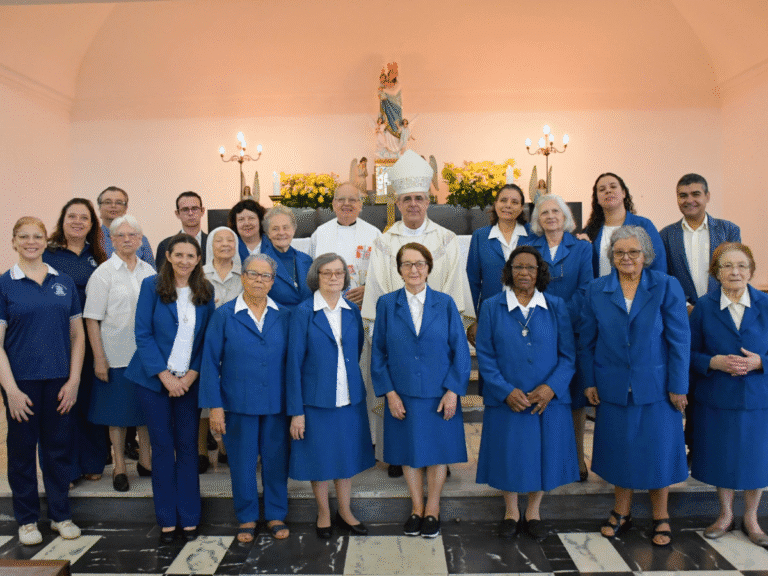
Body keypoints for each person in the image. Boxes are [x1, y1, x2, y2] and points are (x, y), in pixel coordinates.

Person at [362, 150, 471, 475]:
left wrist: (445, 332)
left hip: (436, 338)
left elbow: (453, 291)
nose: (413, 204)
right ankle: (398, 454)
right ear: (397, 202)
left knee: (435, 397)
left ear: (428, 201)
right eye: (407, 198)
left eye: (419, 198)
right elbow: (378, 290)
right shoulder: (384, 242)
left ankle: (438, 456)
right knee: (399, 395)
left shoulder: (447, 240)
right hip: (398, 336)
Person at [580, 226, 689, 547]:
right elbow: (586, 341)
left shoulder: (666, 285)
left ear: (646, 255)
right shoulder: (597, 289)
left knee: (658, 451)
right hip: (612, 384)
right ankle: (621, 512)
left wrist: (678, 385)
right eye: (619, 252)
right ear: (611, 256)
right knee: (619, 450)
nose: (626, 258)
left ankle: (661, 516)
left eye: (633, 252)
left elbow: (680, 341)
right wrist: (589, 381)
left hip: (658, 386)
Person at [475, 245, 578, 540]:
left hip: (545, 400)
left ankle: (533, 511)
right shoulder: (492, 306)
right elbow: (485, 355)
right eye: (518, 267)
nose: (524, 272)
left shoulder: (556, 306)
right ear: (509, 272)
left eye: (530, 267)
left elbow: (568, 355)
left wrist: (551, 388)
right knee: (509, 454)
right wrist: (505, 391)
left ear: (539, 272)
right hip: (508, 398)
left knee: (542, 454)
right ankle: (511, 511)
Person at [371, 243, 471, 539]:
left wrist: (453, 391)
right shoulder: (387, 304)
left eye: (419, 264)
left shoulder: (446, 303)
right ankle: (416, 507)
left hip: (439, 392)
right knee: (408, 452)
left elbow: (460, 351)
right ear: (399, 269)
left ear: (428, 268)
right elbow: (378, 353)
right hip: (402, 393)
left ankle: (433, 509)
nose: (413, 270)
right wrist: (389, 393)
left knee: (438, 453)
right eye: (407, 264)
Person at [0, 217, 85, 545]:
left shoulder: (63, 281)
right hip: (21, 383)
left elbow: (78, 337)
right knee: (22, 453)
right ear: (14, 241)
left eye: (37, 236)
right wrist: (11, 390)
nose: (31, 242)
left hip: (60, 381)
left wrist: (74, 380)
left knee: (58, 451)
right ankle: (27, 520)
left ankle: (61, 516)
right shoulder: (5, 284)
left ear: (45, 241)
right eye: (24, 237)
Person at [125, 233, 215, 543]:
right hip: (153, 381)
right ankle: (166, 519)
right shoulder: (151, 287)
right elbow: (142, 333)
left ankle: (189, 517)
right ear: (168, 256)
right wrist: (165, 377)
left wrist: (190, 377)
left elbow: (208, 340)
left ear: (198, 259)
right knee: (162, 448)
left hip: (189, 383)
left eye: (190, 256)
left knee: (188, 447)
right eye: (179, 255)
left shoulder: (205, 290)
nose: (184, 261)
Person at [200, 254, 291, 543]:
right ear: (243, 277)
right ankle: (247, 517)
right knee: (242, 463)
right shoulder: (224, 315)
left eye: (266, 276)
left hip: (277, 404)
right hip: (238, 404)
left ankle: (276, 513)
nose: (259, 280)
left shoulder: (284, 315)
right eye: (253, 274)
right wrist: (215, 407)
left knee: (276, 462)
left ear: (273, 282)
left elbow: (294, 363)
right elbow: (209, 362)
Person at [287, 253, 375, 539]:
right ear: (317, 277)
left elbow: (356, 349)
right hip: (315, 399)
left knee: (345, 456)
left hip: (348, 396)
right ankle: (324, 512)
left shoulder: (352, 310)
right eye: (327, 273)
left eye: (339, 272)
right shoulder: (304, 312)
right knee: (320, 458)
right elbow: (293, 362)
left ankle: (345, 511)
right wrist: (296, 411)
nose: (334, 277)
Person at [689, 243, 768, 546]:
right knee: (722, 456)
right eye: (727, 266)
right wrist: (713, 362)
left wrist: (760, 362)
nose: (735, 272)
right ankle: (724, 515)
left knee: (756, 459)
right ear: (716, 272)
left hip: (757, 398)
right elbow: (688, 353)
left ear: (751, 271)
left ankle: (751, 517)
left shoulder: (765, 304)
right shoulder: (704, 307)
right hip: (717, 397)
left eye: (742, 266)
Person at [659, 173, 741, 461]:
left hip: (722, 317)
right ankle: (692, 447)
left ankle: (717, 446)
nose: (689, 200)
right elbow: (664, 277)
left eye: (695, 194)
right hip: (683, 317)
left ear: (707, 196)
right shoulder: (666, 235)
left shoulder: (728, 229)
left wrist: (716, 306)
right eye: (683, 195)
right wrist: (683, 306)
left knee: (718, 381)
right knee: (689, 382)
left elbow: (735, 270)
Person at [83, 215, 155, 492]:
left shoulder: (149, 271)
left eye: (132, 234)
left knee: (145, 411)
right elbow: (92, 319)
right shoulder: (103, 274)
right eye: (120, 235)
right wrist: (99, 358)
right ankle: (120, 467)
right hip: (115, 355)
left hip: (146, 356)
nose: (127, 239)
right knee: (117, 415)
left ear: (140, 239)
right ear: (111, 240)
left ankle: (146, 461)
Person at [527, 195, 593, 482]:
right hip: (537, 331)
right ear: (537, 220)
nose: (551, 216)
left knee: (575, 397)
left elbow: (586, 288)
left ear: (565, 217)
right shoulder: (530, 249)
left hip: (573, 329)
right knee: (541, 391)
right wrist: (544, 318)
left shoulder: (582, 248)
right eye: (544, 213)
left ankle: (578, 458)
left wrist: (558, 316)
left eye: (556, 211)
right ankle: (544, 458)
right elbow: (525, 287)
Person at [43, 198, 109, 483]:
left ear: (92, 224)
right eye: (72, 216)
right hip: (58, 340)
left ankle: (92, 462)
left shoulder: (99, 257)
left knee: (89, 401)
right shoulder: (48, 255)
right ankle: (66, 468)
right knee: (62, 403)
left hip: (93, 339)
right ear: (62, 220)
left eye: (84, 217)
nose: (78, 222)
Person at [310, 183, 382, 442]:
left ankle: (369, 437)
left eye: (353, 200)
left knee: (363, 374)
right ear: (333, 204)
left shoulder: (374, 234)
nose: (347, 204)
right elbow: (312, 275)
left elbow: (382, 274)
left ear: (361, 204)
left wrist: (369, 289)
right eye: (341, 199)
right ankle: (337, 436)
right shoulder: (320, 234)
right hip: (327, 317)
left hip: (362, 315)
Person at [198, 226, 243, 471]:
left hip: (236, 344)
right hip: (206, 342)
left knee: (230, 395)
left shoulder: (244, 274)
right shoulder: (199, 274)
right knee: (205, 398)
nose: (225, 244)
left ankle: (226, 447)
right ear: (210, 246)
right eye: (219, 240)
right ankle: (201, 451)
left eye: (230, 240)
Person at [582, 173, 666, 278]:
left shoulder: (643, 225)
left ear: (623, 193)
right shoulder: (589, 232)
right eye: (602, 189)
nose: (608, 191)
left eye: (613, 187)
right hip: (599, 288)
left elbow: (659, 264)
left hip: (640, 288)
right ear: (597, 199)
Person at [467, 183, 531, 317]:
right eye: (503, 200)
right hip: (491, 314)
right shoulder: (480, 236)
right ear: (495, 204)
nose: (508, 205)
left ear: (521, 208)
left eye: (514, 202)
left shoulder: (533, 234)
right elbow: (472, 281)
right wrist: (471, 319)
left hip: (527, 312)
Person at [262, 205, 312, 308]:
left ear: (293, 230)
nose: (281, 233)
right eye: (275, 229)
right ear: (268, 233)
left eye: (285, 228)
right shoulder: (260, 264)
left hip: (307, 317)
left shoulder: (307, 260)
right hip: (277, 317)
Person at [97, 186, 155, 268]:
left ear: (126, 208)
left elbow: (151, 273)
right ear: (99, 207)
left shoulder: (140, 239)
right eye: (108, 202)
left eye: (119, 203)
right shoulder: (91, 239)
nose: (113, 206)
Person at [156, 191, 208, 271]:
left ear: (202, 211)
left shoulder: (213, 242)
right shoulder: (165, 245)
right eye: (185, 209)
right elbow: (162, 276)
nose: (190, 213)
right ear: (177, 214)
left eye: (194, 208)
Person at [228, 198, 270, 263]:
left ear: (260, 220)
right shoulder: (230, 247)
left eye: (251, 218)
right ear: (235, 223)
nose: (247, 223)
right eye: (241, 219)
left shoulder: (273, 244)